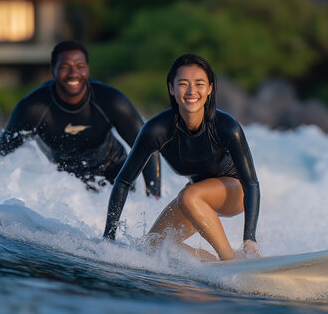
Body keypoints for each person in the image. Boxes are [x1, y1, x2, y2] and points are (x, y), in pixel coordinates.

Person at [103, 53, 260, 260]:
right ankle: (211, 262)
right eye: (183, 84)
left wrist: (249, 238)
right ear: (171, 88)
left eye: (199, 83)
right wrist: (108, 238)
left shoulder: (227, 127)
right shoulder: (156, 130)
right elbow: (123, 181)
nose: (191, 91)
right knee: (152, 247)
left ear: (210, 88)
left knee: (189, 195)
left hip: (234, 191)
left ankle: (229, 260)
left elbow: (251, 184)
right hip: (195, 198)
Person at [0, 40, 161, 196]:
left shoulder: (110, 101)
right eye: (65, 66)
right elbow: (0, 153)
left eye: (80, 66)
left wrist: (154, 198)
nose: (73, 73)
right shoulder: (33, 109)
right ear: (52, 71)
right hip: (65, 181)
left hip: (112, 173)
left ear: (87, 69)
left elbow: (148, 145)